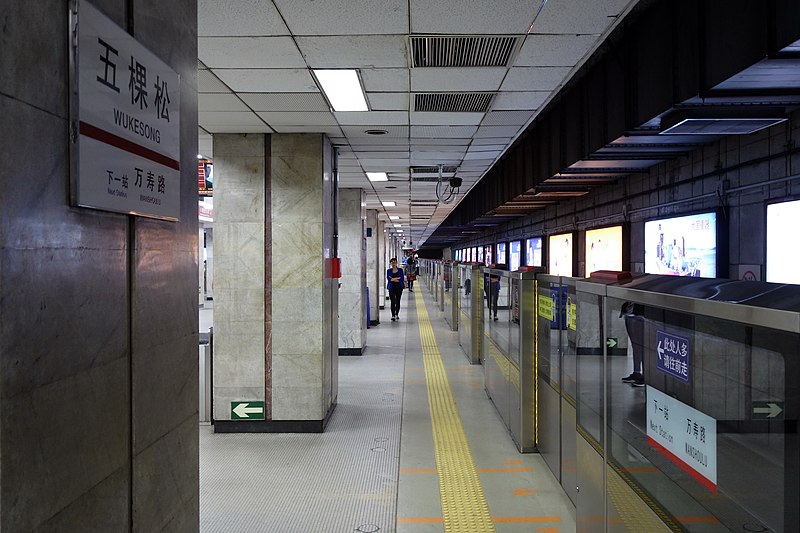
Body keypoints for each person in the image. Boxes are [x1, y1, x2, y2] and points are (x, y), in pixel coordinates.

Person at [620, 301, 645, 387]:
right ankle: (637, 372)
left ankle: (645, 376)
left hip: (640, 315)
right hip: (630, 313)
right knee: (635, 346)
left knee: (642, 346)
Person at [387, 257, 405, 322]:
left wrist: (393, 279)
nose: (393, 264)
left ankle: (397, 314)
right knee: (392, 301)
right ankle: (393, 315)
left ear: (396, 263)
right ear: (390, 263)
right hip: (391, 287)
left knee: (398, 301)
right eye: (392, 262)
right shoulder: (388, 271)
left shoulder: (400, 270)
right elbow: (389, 279)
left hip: (399, 287)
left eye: (394, 262)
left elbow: (401, 279)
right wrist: (396, 279)